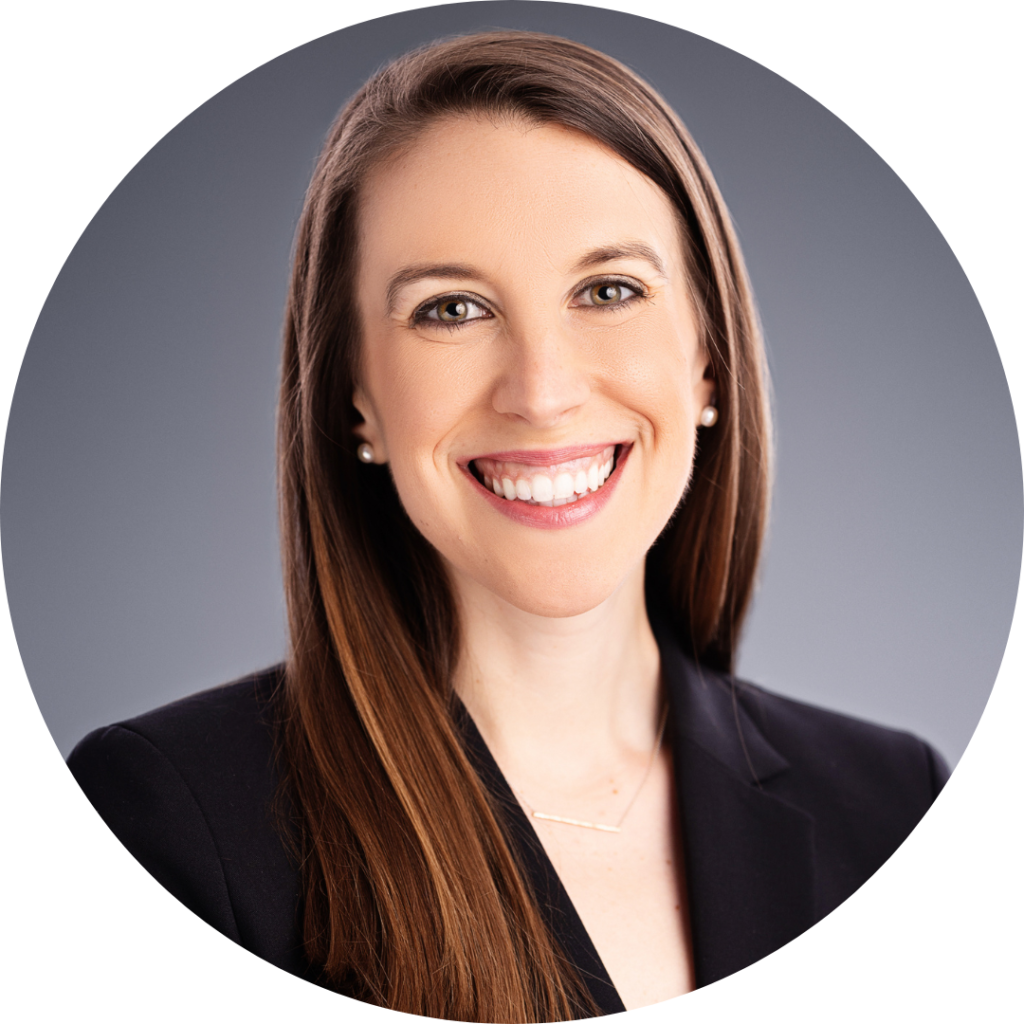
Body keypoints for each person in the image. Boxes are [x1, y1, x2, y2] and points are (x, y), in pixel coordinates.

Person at [67, 31, 948, 1021]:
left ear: (706, 361)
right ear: (357, 397)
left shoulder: (893, 804)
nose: (541, 391)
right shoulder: (173, 822)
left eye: (608, 290)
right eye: (451, 308)